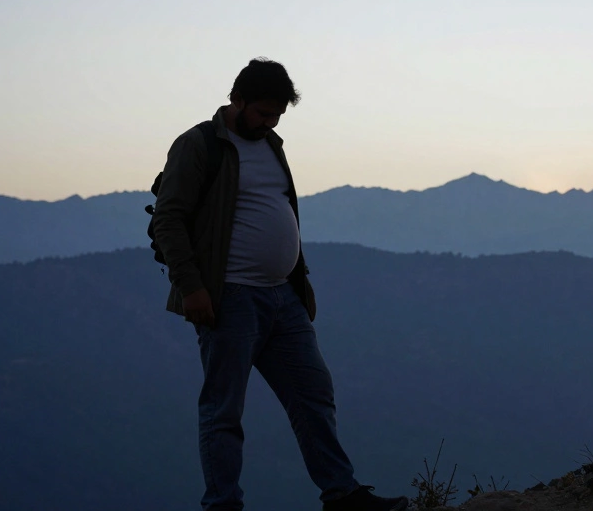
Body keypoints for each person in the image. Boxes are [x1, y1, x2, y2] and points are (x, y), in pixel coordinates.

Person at [152, 58, 408, 510]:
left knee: (314, 395)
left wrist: (298, 283)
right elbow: (169, 218)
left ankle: (342, 494)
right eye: (262, 113)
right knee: (223, 411)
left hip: (282, 298)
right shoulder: (198, 145)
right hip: (227, 298)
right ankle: (223, 505)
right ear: (237, 100)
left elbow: (280, 209)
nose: (268, 123)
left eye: (276, 116)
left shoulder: (271, 145)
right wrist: (191, 287)